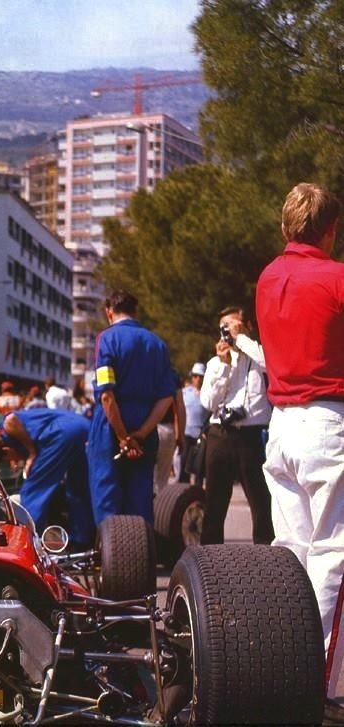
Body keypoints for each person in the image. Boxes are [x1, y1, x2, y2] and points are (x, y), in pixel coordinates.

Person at [256, 182, 344, 717]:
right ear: (330, 230)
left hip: (281, 424)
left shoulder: (268, 277)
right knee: (335, 554)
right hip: (327, 420)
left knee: (292, 552)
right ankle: (322, 684)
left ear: (286, 227)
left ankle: (285, 668)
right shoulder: (336, 276)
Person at [87, 290, 174, 529]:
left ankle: (109, 558)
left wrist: (122, 437)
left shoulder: (106, 339)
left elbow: (106, 394)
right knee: (140, 497)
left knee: (107, 497)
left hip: (110, 427)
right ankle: (142, 555)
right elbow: (167, 397)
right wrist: (140, 435)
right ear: (136, 312)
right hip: (145, 426)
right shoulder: (157, 344)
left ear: (108, 312)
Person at [199, 306, 273, 546]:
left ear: (247, 326)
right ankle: (210, 559)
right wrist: (224, 366)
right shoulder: (215, 363)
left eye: (232, 325)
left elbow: (269, 363)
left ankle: (267, 557)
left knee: (262, 503)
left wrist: (242, 339)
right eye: (224, 327)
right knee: (214, 504)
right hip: (221, 435)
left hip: (252, 437)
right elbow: (209, 402)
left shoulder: (259, 356)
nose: (227, 332)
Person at [0, 408, 92, 545]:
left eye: (9, 459)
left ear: (6, 450)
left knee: (34, 489)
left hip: (60, 434)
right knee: (78, 489)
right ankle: (81, 541)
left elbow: (10, 420)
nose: (13, 464)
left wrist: (32, 452)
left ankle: (27, 542)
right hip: (83, 426)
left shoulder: (4, 430)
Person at [153, 369, 186, 493]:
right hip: (167, 429)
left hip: (144, 428)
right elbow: (180, 407)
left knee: (145, 477)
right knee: (162, 480)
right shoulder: (172, 375)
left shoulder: (142, 367)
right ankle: (160, 509)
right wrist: (181, 435)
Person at [179, 363, 208, 483]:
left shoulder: (208, 394)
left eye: (201, 376)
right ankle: (182, 490)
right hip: (187, 433)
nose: (198, 379)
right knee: (184, 462)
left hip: (201, 434)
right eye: (196, 376)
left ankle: (198, 492)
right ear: (192, 377)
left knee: (199, 467)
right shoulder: (185, 393)